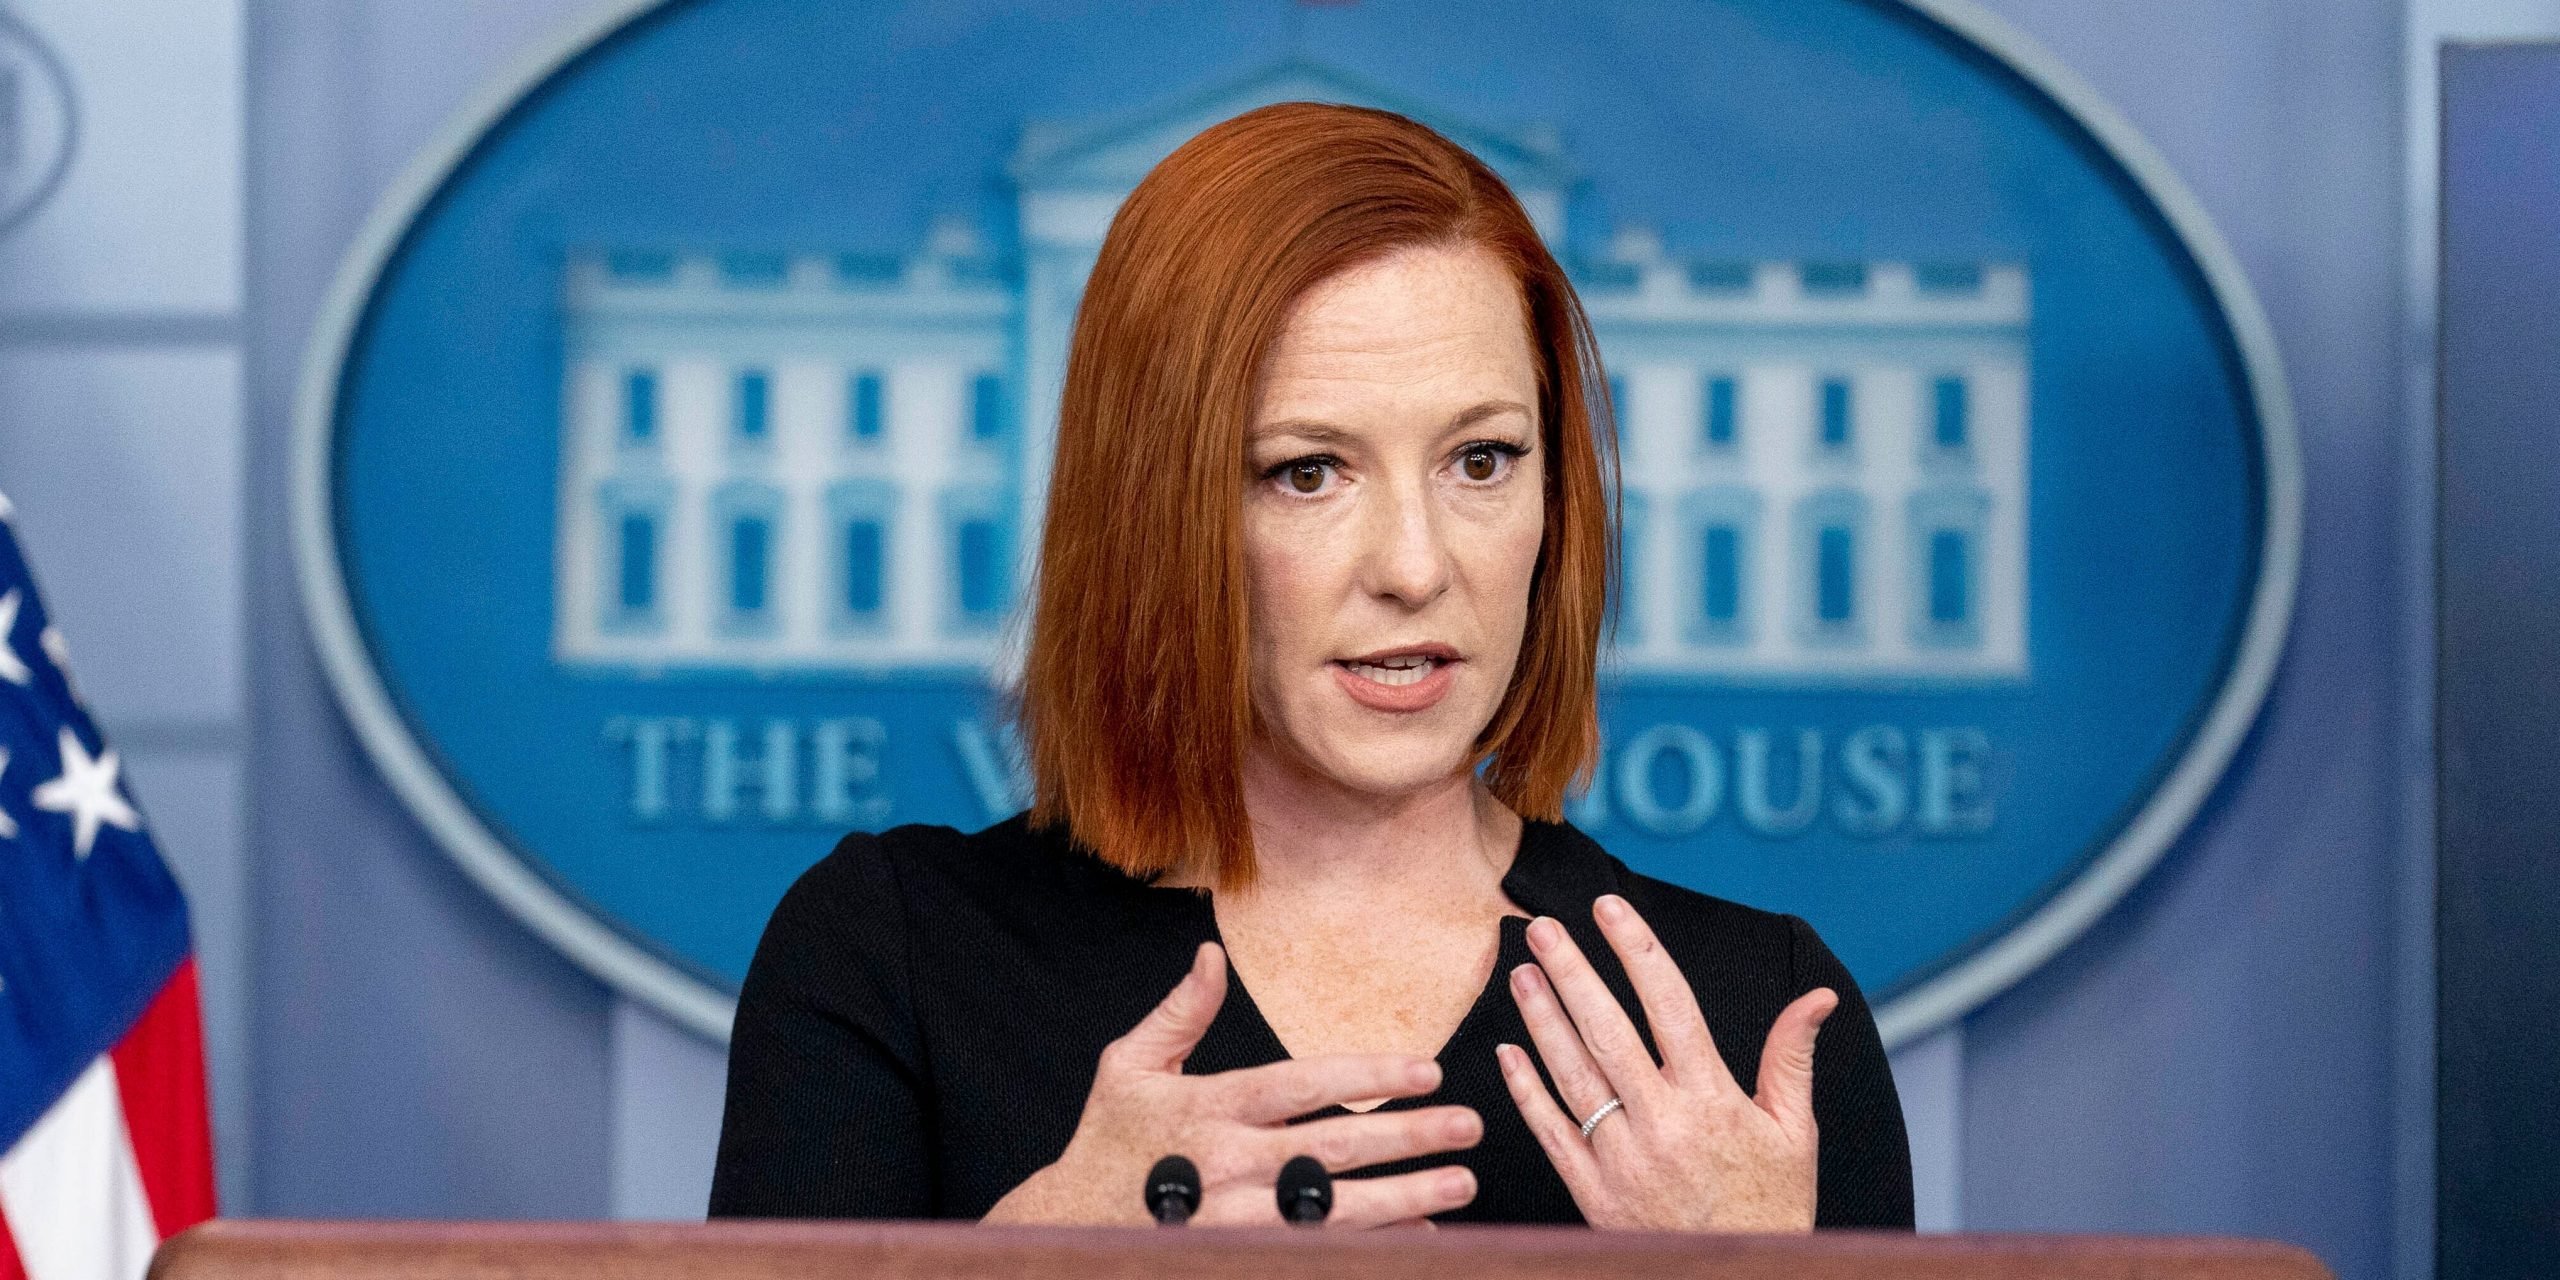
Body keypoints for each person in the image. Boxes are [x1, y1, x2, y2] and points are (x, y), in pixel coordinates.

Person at [709, 101, 1913, 1230]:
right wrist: (1027, 1255)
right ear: (1151, 510)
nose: (1412, 564)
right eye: (1306, 470)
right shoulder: (895, 956)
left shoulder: (1756, 1021)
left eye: (1482, 459)